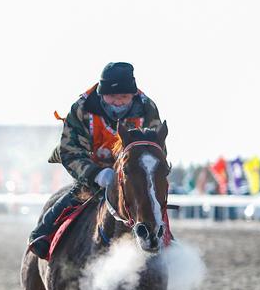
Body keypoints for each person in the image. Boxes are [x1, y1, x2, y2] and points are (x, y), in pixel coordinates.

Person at [28, 62, 161, 259]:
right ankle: (41, 235)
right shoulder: (82, 108)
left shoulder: (147, 107)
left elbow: (156, 148)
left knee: (152, 206)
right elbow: (70, 150)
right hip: (92, 172)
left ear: (133, 95)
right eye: (112, 97)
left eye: (124, 98)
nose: (118, 103)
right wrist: (95, 174)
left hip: (132, 176)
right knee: (76, 196)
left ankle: (163, 240)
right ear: (101, 94)